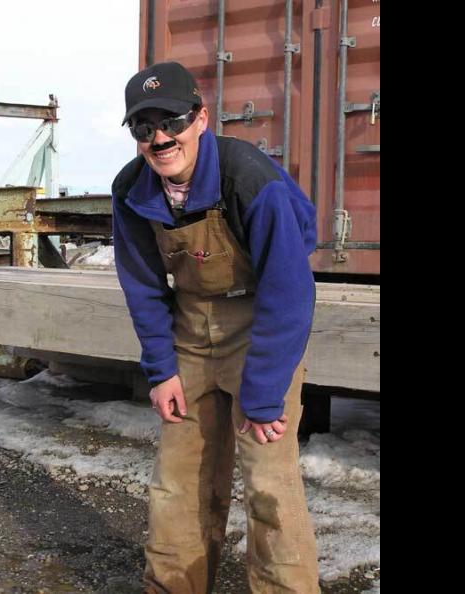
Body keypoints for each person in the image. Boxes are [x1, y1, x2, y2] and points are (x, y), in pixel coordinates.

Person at [112, 61, 320, 594]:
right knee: (178, 482)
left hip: (261, 325)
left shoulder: (249, 178)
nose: (160, 139)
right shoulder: (133, 191)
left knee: (269, 481)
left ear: (201, 118)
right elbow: (142, 285)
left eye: (172, 121)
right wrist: (161, 370)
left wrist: (266, 390)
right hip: (189, 326)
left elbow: (290, 291)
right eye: (144, 127)